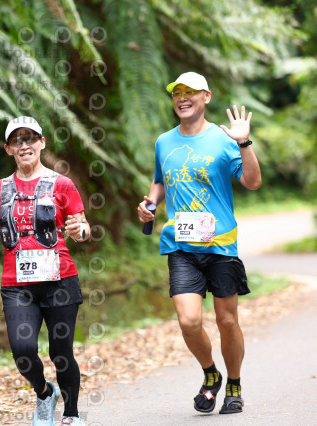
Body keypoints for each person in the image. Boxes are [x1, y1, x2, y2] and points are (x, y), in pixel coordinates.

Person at [137, 72, 262, 415]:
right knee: (189, 321)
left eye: (190, 92)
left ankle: (234, 383)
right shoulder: (164, 141)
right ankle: (211, 373)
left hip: (220, 245)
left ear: (206, 96)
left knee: (226, 321)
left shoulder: (224, 139)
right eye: (177, 92)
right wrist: (150, 204)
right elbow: (160, 180)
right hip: (181, 246)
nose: (183, 98)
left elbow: (252, 182)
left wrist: (244, 143)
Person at [0, 116, 90, 426]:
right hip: (17, 285)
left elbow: (82, 227)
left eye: (30, 138)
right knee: (23, 351)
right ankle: (44, 393)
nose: (24, 145)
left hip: (60, 280)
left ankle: (71, 414)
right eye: (17, 140)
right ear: (8, 149)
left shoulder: (62, 184)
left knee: (61, 351)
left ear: (42, 143)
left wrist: (79, 230)